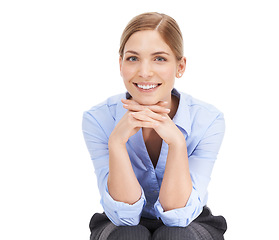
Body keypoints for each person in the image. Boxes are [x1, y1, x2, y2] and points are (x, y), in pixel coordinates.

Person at [82, 12, 227, 240]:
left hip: (190, 218)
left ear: (180, 66)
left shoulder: (208, 120)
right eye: (133, 58)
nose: (145, 72)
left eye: (159, 58)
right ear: (120, 65)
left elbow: (178, 217)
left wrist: (177, 143)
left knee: (175, 236)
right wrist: (117, 143)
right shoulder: (98, 119)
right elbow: (124, 216)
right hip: (118, 220)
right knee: (129, 235)